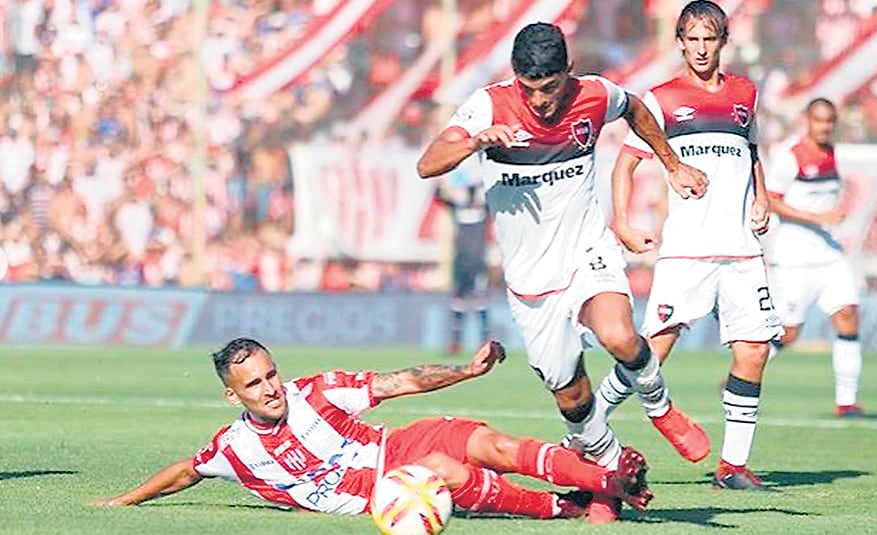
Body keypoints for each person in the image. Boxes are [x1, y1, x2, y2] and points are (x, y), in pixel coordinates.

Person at [416, 22, 711, 521]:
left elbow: (636, 108)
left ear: (568, 74)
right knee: (572, 397)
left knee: (620, 336)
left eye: (550, 89)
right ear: (515, 79)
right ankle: (610, 473)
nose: (540, 102)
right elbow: (428, 163)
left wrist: (672, 163)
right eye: (529, 90)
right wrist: (474, 142)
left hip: (586, 251)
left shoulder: (595, 95)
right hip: (531, 282)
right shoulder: (489, 106)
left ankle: (662, 408)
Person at [89, 337, 653, 520]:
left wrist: (466, 371)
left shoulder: (315, 391)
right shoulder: (233, 448)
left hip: (397, 444)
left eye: (271, 374)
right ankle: (568, 507)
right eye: (255, 384)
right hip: (376, 493)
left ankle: (608, 481)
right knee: (446, 471)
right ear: (232, 395)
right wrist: (124, 499)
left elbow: (399, 382)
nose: (271, 388)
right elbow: (185, 471)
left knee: (491, 443)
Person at [605, 1, 782, 491]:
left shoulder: (746, 93)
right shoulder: (660, 99)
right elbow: (624, 166)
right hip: (687, 250)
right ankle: (586, 429)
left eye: (711, 39)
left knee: (754, 350)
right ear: (679, 42)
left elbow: (751, 152)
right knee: (650, 352)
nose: (701, 48)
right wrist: (622, 222)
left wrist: (761, 197)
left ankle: (732, 467)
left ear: (723, 42)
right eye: (692, 39)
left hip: (742, 249)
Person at [765, 98, 864, 418]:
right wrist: (815, 218)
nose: (825, 126)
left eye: (830, 121)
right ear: (807, 119)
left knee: (848, 314)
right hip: (794, 257)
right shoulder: (789, 155)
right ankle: (741, 374)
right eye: (819, 120)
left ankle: (846, 402)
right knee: (790, 332)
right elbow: (771, 200)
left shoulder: (832, 152)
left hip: (830, 254)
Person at [435, 164, 491, 354]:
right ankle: (456, 341)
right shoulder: (461, 208)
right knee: (460, 299)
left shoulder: (482, 209)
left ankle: (484, 342)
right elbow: (439, 197)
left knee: (478, 300)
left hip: (476, 261)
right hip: (463, 260)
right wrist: (440, 181)